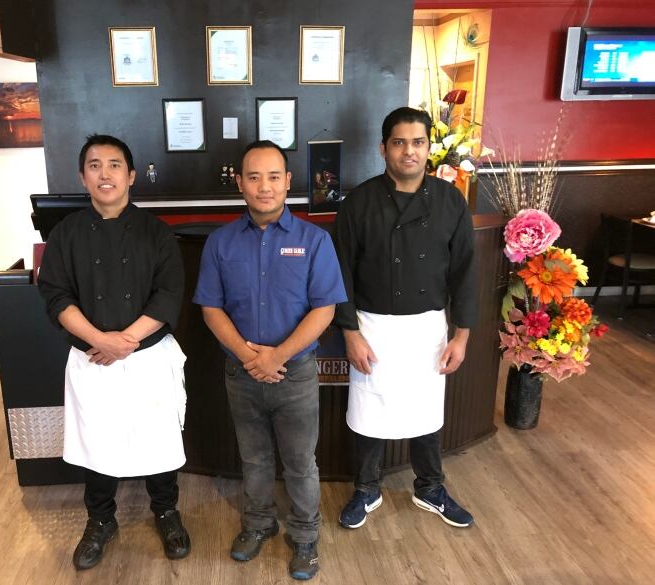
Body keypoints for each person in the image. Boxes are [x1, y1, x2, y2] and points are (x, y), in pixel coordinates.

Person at [193, 140, 346, 581]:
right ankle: (258, 525)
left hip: (295, 372)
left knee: (301, 462)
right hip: (241, 373)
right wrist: (247, 356)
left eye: (274, 176)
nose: (264, 186)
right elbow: (211, 308)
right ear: (240, 183)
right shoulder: (220, 243)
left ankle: (304, 536)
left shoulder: (314, 241)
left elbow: (325, 309)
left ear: (288, 182)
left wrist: (277, 355)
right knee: (254, 459)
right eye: (254, 177)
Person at [38, 134, 191, 570]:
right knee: (96, 440)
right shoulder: (65, 234)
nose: (105, 174)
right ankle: (101, 519)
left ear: (131, 176)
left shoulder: (157, 233)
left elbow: (168, 294)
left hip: (148, 357)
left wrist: (124, 342)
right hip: (92, 359)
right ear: (82, 177)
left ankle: (166, 511)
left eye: (114, 165)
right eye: (94, 165)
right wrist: (99, 340)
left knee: (158, 437)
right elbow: (55, 295)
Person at [333, 107, 477, 531]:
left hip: (428, 328)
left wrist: (462, 334)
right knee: (367, 412)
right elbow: (339, 271)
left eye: (417, 142)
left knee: (427, 411)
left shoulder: (450, 201)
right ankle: (366, 489)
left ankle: (430, 487)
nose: (408, 151)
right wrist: (349, 332)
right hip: (371, 324)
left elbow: (465, 270)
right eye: (399, 142)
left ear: (429, 149)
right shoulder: (359, 202)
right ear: (383, 148)